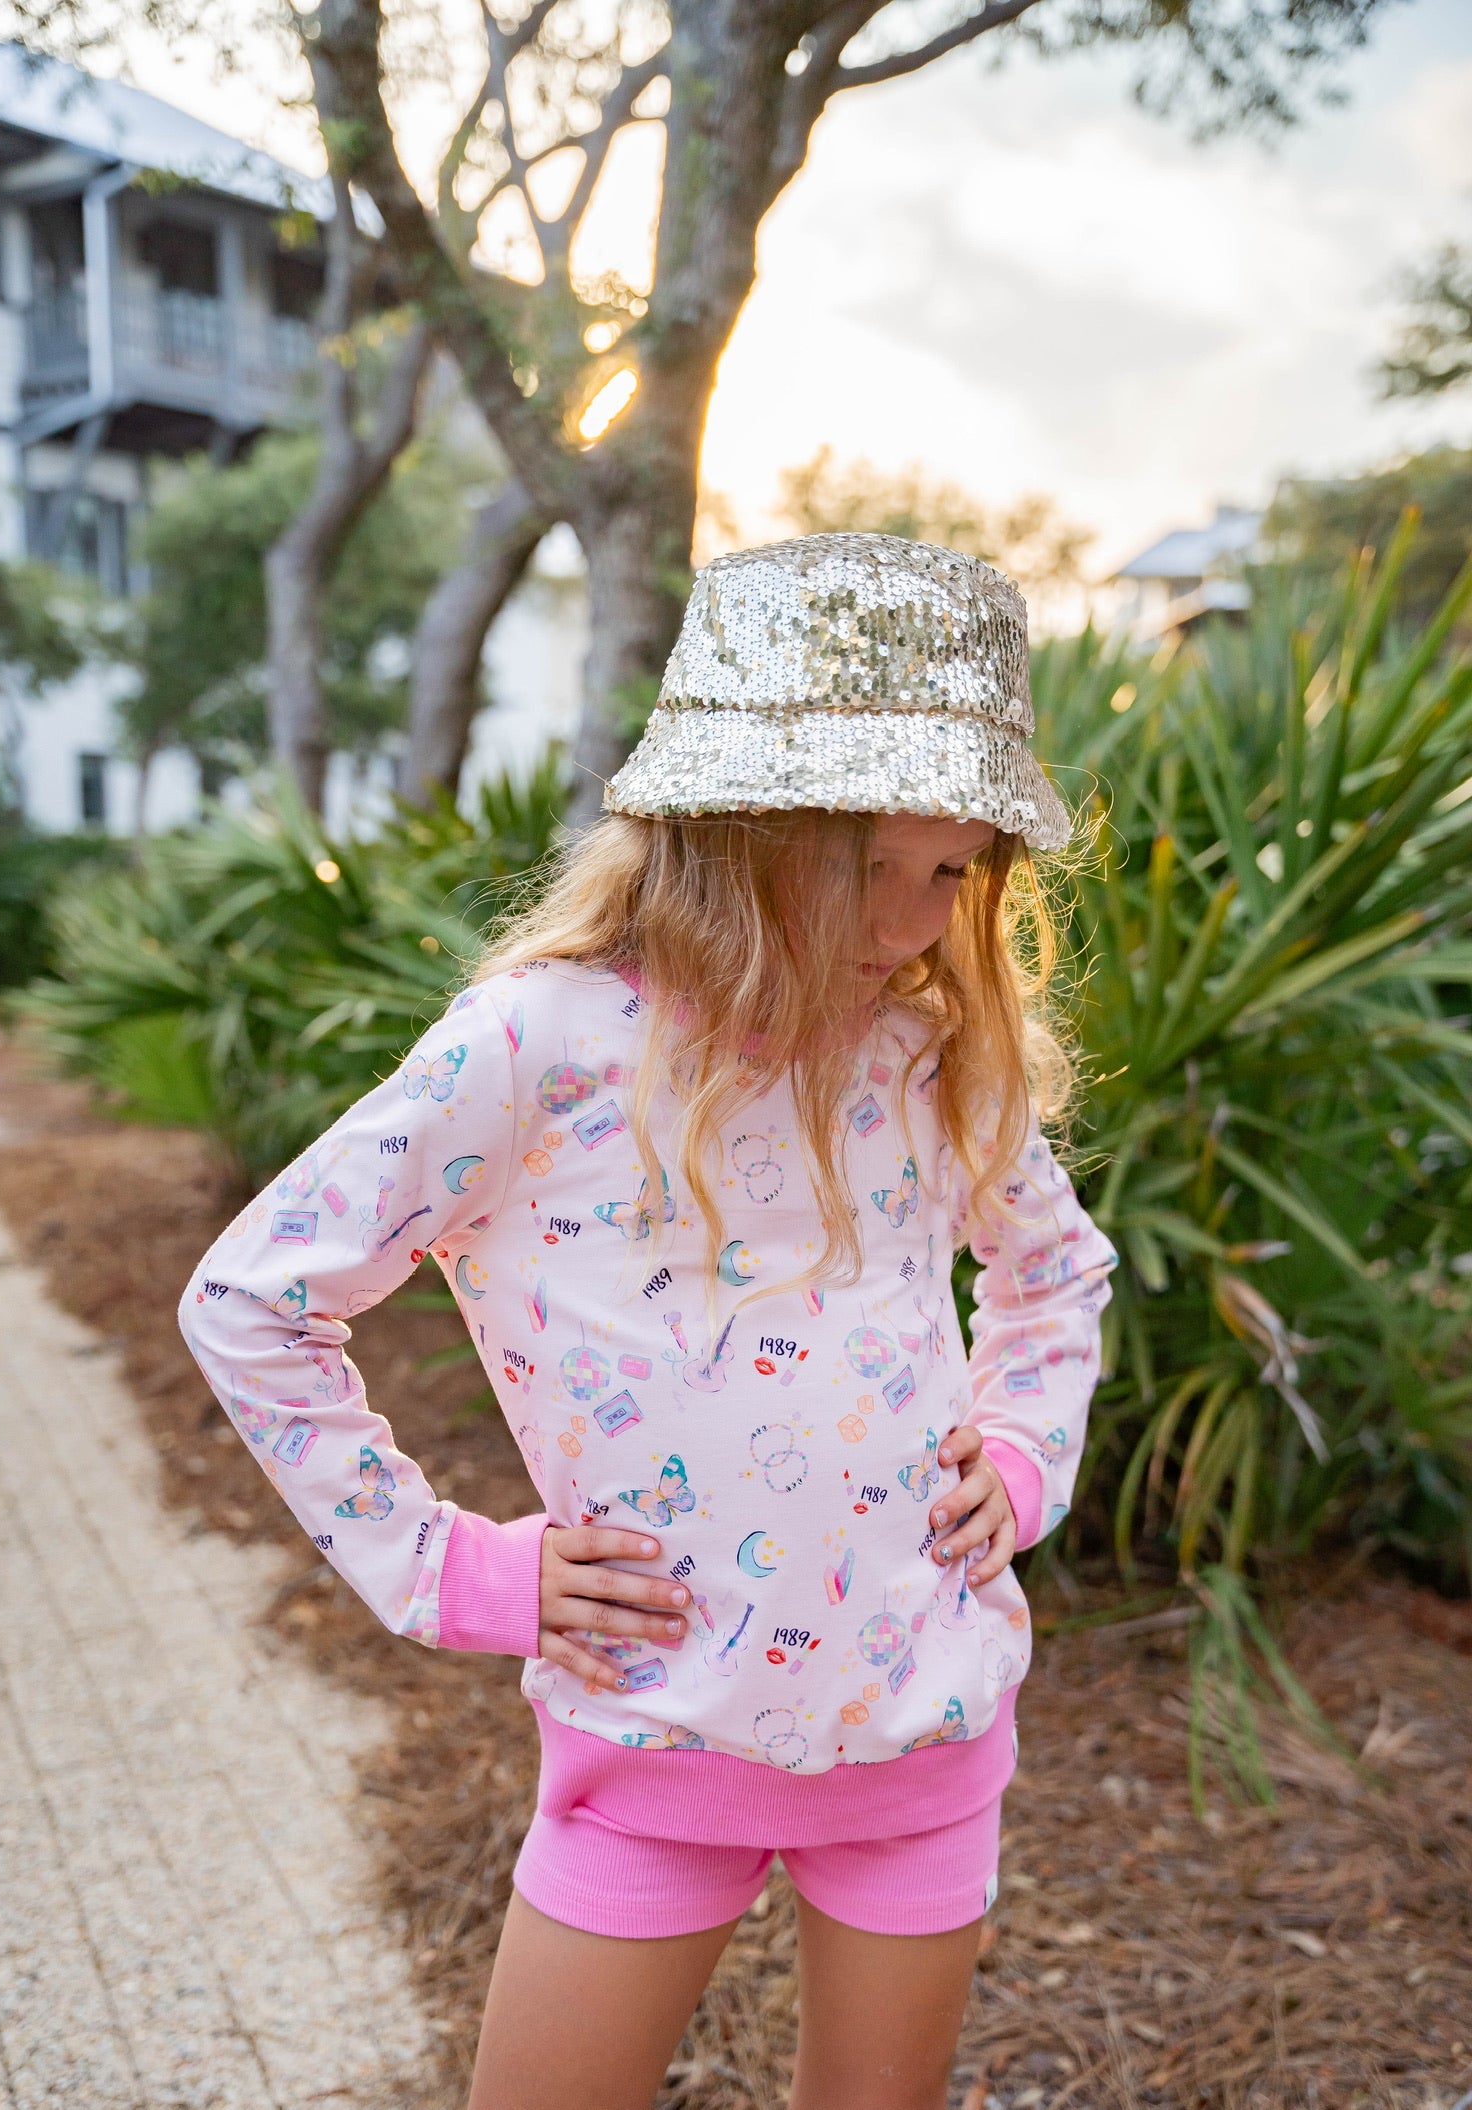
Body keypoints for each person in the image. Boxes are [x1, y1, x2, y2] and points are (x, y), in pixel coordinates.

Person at [180, 533, 1116, 2110]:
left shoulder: (927, 1052)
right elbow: (252, 1298)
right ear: (732, 829)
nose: (910, 923)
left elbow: (1058, 1271)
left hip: (926, 1726)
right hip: (653, 1738)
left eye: (951, 872)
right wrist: (453, 1567)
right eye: (868, 865)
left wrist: (1023, 1455)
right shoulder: (538, 1041)